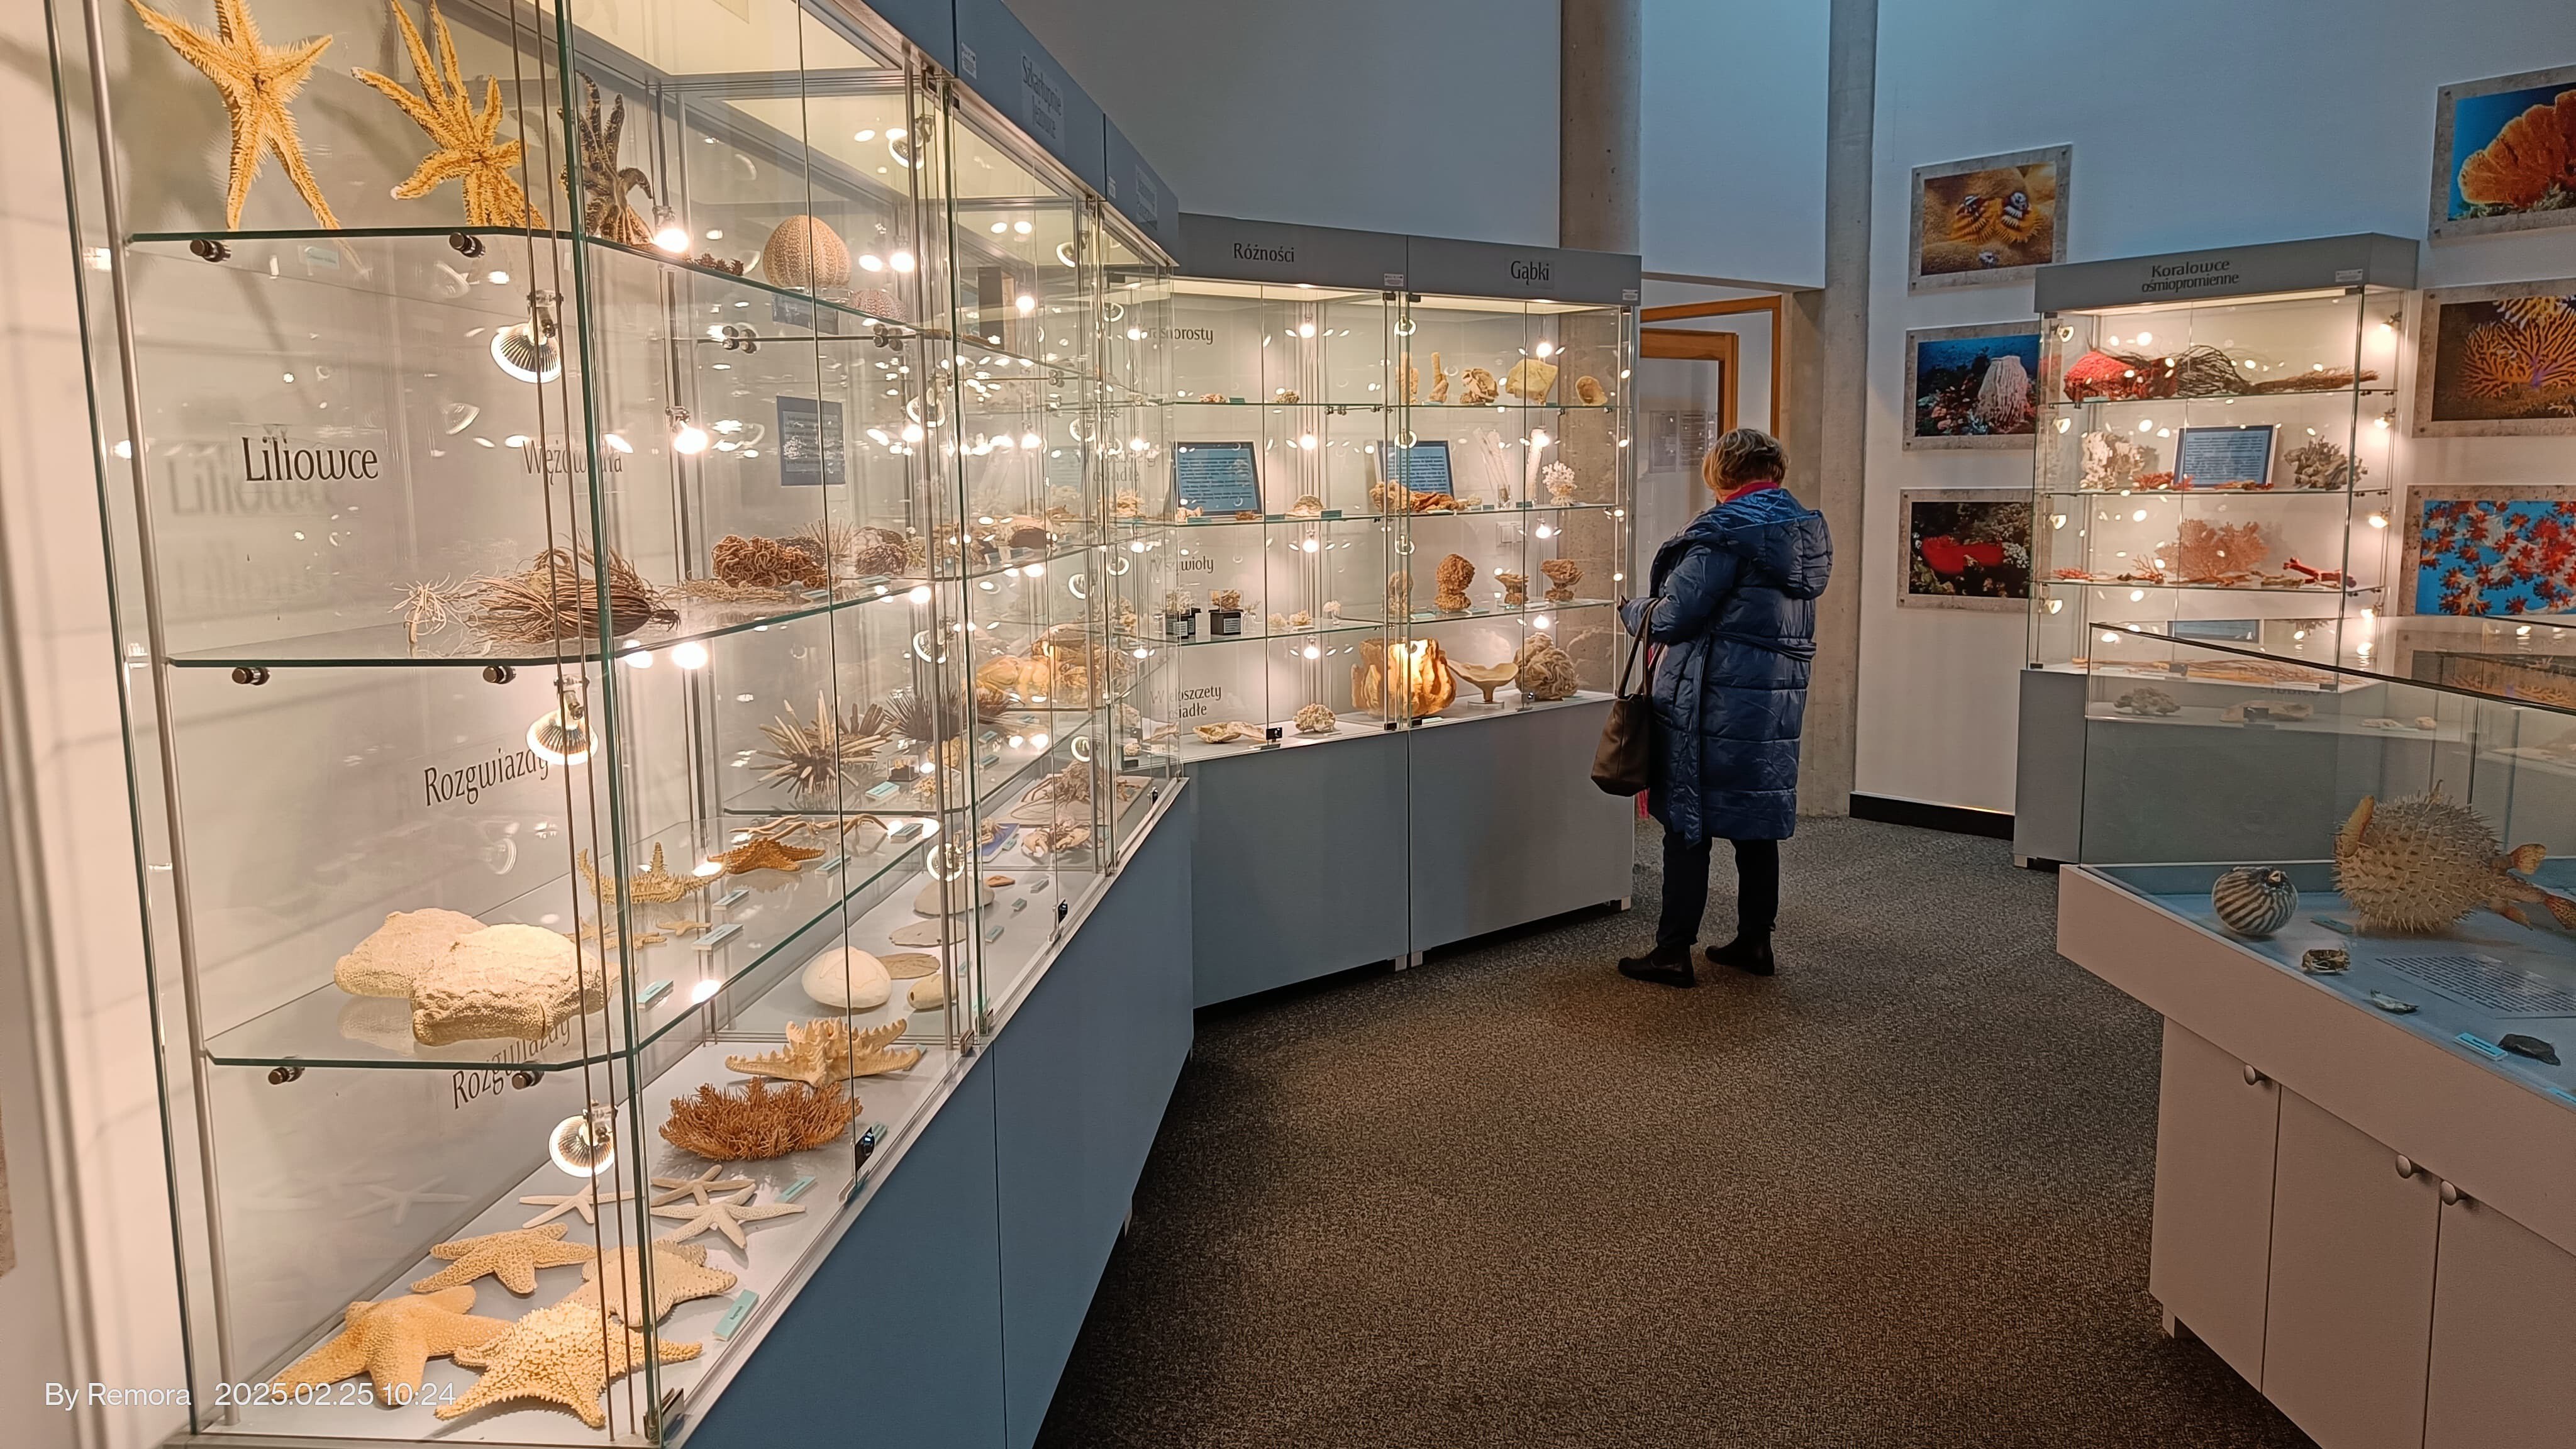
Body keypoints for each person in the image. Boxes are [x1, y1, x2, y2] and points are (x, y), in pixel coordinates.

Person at [1614, 428, 1832, 988]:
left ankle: (1672, 951)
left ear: (1721, 473)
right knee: (1755, 824)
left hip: (1710, 700)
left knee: (1687, 824)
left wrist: (1633, 608)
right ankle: (1755, 941)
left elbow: (1672, 617)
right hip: (1772, 701)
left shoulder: (1724, 534)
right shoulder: (1799, 532)